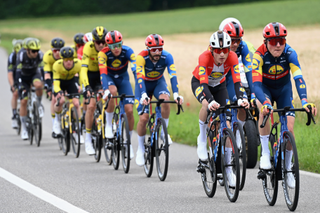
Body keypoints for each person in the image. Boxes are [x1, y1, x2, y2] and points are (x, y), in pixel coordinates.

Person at [252, 22, 317, 188]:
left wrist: (304, 101)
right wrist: (265, 103)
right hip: (264, 89)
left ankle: (288, 169)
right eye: (273, 41)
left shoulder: (290, 53)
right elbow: (256, 86)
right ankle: (265, 154)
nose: (278, 45)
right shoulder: (258, 56)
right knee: (264, 111)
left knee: (289, 127)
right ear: (266, 42)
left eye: (281, 40)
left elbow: (298, 78)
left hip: (283, 90)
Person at [191, 31, 249, 187]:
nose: (222, 54)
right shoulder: (204, 57)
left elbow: (237, 82)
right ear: (212, 49)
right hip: (200, 84)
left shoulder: (233, 57)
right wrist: (210, 101)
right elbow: (203, 84)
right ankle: (202, 139)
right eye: (218, 50)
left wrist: (242, 98)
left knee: (226, 124)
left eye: (225, 50)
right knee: (205, 104)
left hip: (219, 86)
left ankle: (229, 170)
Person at [135, 34, 184, 166]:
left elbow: (173, 75)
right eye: (154, 49)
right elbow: (139, 77)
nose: (157, 52)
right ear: (148, 48)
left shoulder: (167, 57)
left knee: (165, 100)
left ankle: (163, 132)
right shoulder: (141, 57)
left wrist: (176, 94)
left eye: (160, 49)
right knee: (144, 118)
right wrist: (144, 94)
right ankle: (140, 148)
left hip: (158, 83)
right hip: (143, 85)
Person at [98, 30, 136, 159]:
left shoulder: (128, 51)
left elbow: (136, 70)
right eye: (113, 46)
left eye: (118, 45)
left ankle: (128, 142)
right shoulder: (103, 54)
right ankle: (109, 124)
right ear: (107, 46)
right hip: (109, 79)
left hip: (123, 79)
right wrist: (106, 89)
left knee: (129, 110)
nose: (116, 49)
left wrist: (141, 90)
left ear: (122, 43)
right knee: (112, 92)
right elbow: (103, 73)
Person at [221, 19, 256, 148]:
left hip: (233, 79)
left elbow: (249, 70)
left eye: (238, 40)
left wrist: (253, 93)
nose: (235, 44)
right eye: (232, 40)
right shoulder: (216, 47)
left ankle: (238, 136)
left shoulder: (243, 47)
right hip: (218, 80)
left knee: (242, 105)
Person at [80, 26, 108, 155]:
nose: (101, 45)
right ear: (93, 42)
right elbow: (83, 69)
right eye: (98, 42)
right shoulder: (88, 48)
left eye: (103, 42)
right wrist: (86, 87)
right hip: (90, 76)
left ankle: (110, 126)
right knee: (90, 106)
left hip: (103, 76)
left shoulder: (108, 48)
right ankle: (88, 138)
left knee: (109, 98)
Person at [52, 47, 84, 143]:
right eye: (66, 60)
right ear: (62, 60)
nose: (69, 62)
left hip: (71, 82)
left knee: (76, 104)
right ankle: (57, 121)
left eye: (71, 59)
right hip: (60, 83)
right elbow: (56, 84)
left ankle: (78, 131)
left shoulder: (78, 64)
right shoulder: (57, 65)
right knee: (61, 100)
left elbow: (82, 77)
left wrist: (82, 87)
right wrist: (59, 92)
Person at [16, 38, 44, 140]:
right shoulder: (21, 55)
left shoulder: (40, 55)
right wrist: (20, 85)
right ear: (27, 50)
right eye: (33, 51)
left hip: (33, 75)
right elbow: (17, 72)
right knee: (24, 101)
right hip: (23, 77)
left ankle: (39, 105)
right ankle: (24, 128)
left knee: (39, 85)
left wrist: (45, 82)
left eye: (37, 50)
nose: (36, 53)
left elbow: (42, 70)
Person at [43, 37, 66, 138]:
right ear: (52, 50)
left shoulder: (66, 56)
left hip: (64, 75)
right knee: (54, 98)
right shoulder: (48, 56)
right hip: (53, 77)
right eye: (55, 50)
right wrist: (48, 87)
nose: (57, 53)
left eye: (60, 50)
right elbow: (47, 74)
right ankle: (55, 123)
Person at [7, 39, 23, 129]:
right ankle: (14, 115)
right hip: (15, 74)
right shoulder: (12, 57)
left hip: (24, 74)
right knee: (15, 93)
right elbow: (10, 73)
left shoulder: (26, 55)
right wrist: (13, 85)